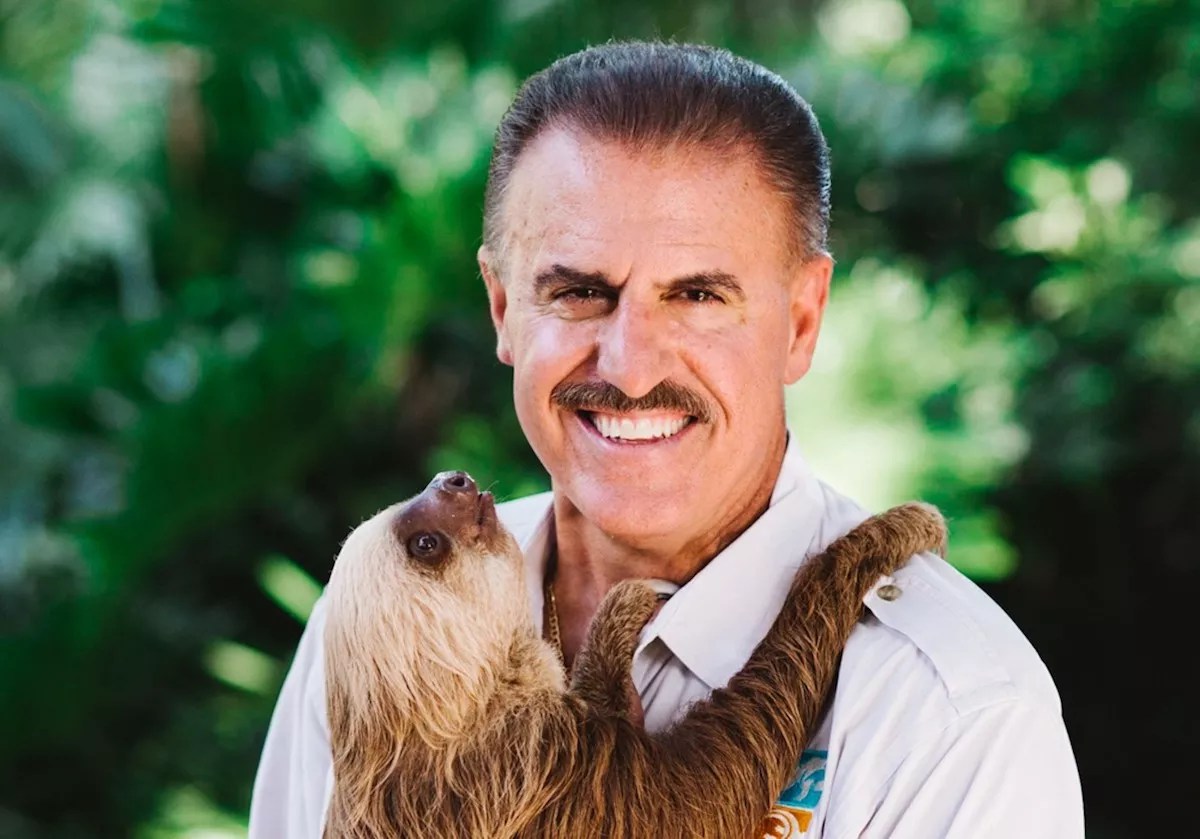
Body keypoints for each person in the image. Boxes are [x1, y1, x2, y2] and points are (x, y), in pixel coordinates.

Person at [249, 41, 1084, 838]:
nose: (632, 365)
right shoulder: (370, 629)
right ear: (503, 309)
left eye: (696, 295)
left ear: (801, 320)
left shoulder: (952, 715)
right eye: (580, 291)